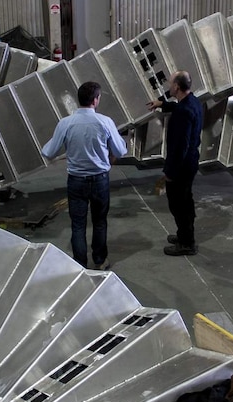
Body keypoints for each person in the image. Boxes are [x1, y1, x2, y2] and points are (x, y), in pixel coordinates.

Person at [42, 81, 127, 270]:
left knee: (78, 224)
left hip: (76, 181)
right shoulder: (105, 122)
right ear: (95, 100)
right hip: (100, 180)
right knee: (99, 222)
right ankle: (99, 260)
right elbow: (120, 151)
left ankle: (80, 264)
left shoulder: (66, 123)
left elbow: (49, 151)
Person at [146, 71, 203, 256]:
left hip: (182, 166)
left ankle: (187, 244)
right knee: (185, 201)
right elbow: (179, 107)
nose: (169, 86)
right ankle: (184, 235)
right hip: (191, 162)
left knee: (179, 204)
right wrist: (163, 104)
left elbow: (181, 147)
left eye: (171, 84)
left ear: (177, 87)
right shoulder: (193, 101)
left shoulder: (183, 112)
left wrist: (170, 173)